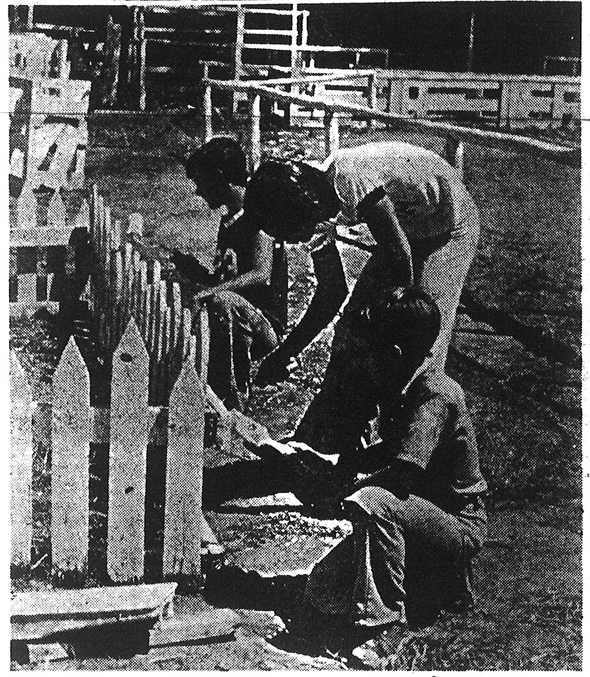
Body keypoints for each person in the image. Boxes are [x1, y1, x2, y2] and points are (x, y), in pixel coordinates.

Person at [265, 286, 488, 658]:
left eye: (372, 353)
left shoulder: (435, 395)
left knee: (371, 501)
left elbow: (401, 475)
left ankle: (384, 626)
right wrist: (339, 464)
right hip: (417, 514)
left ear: (395, 354)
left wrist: (338, 497)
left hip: (455, 525)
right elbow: (394, 448)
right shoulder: (405, 383)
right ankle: (428, 586)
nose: (366, 362)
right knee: (321, 592)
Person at [247, 142, 480, 413]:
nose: (286, 241)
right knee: (351, 327)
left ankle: (409, 436)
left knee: (418, 342)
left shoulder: (350, 179)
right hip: (408, 230)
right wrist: (285, 353)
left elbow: (400, 259)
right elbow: (331, 294)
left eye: (283, 231)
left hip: (448, 226)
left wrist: (389, 331)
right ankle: (336, 421)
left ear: (293, 211)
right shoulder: (319, 217)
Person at [174, 137, 287, 410]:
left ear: (219, 178)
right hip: (239, 319)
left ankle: (236, 397)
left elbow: (261, 273)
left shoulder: (258, 212)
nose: (199, 192)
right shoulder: (229, 221)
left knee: (221, 300)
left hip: (264, 327)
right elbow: (227, 280)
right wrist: (198, 274)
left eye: (201, 182)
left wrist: (212, 290)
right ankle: (216, 387)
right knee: (212, 299)